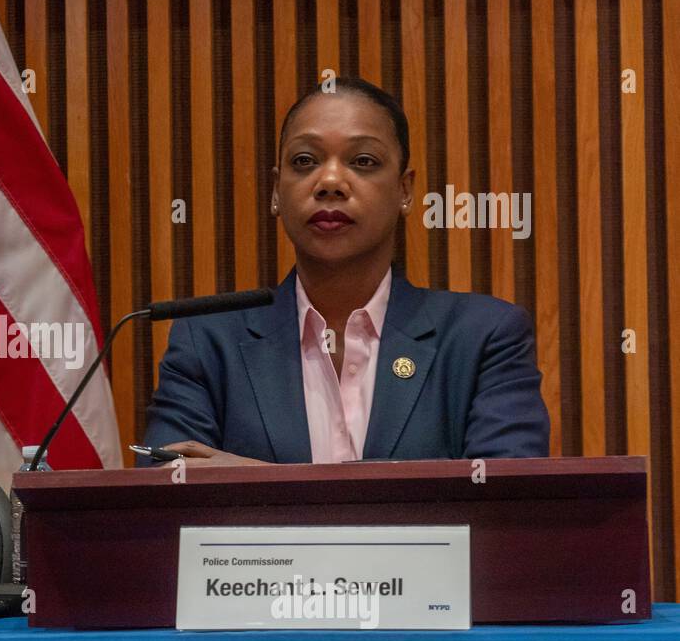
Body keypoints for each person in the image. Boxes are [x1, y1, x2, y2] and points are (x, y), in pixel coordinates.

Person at [143, 77, 550, 466]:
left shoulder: (483, 338)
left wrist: (252, 478)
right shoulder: (208, 342)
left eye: (363, 161)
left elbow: (504, 506)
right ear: (276, 191)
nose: (331, 181)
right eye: (304, 161)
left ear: (405, 191)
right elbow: (169, 493)